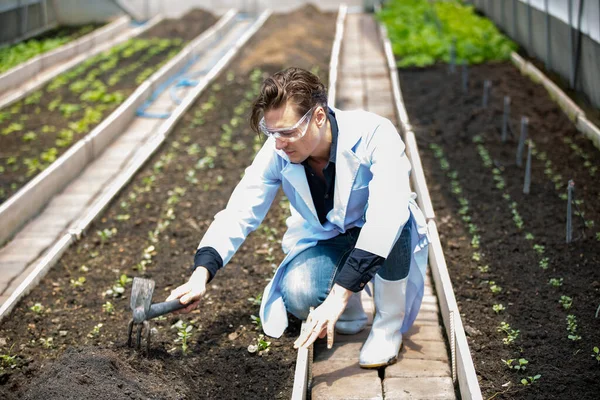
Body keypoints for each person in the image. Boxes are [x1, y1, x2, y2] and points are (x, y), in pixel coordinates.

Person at [166, 67, 429, 368]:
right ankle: (352, 309)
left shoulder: (375, 135)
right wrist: (201, 274)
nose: (279, 143)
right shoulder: (278, 150)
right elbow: (240, 211)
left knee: (395, 225)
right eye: (272, 132)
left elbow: (385, 217)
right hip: (333, 237)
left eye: (288, 132)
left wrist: (337, 297)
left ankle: (387, 326)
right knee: (300, 293)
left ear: (318, 116)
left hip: (384, 234)